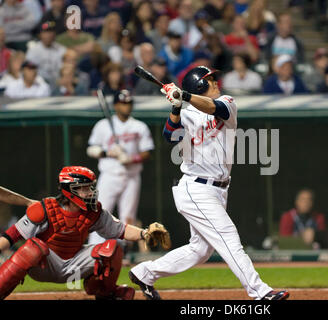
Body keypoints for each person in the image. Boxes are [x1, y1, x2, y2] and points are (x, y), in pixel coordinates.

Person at [128, 66, 290, 301]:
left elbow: (216, 108)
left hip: (218, 189)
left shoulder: (227, 102)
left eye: (213, 78)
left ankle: (144, 273)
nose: (215, 81)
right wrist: (175, 106)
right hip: (195, 187)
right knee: (228, 237)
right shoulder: (186, 114)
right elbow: (169, 135)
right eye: (209, 79)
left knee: (200, 250)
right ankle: (260, 292)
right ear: (199, 85)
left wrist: (183, 96)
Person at [0, 166, 169, 300]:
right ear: (69, 190)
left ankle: (106, 294)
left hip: (74, 264)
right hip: (46, 266)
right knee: (32, 248)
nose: (90, 192)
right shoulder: (45, 209)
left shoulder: (93, 211)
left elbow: (120, 230)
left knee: (112, 248)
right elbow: (11, 236)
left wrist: (145, 233)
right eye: (84, 188)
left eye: (90, 187)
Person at [87, 90, 154, 247]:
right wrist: (107, 152)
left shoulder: (139, 126)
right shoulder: (103, 125)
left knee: (128, 216)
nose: (127, 106)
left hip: (131, 176)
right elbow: (91, 149)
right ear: (116, 105)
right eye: (123, 103)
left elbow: (147, 152)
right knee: (99, 212)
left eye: (129, 103)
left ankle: (122, 251)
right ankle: (93, 249)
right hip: (109, 175)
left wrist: (131, 158)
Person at [25, 21, 67, 89]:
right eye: (45, 32)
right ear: (40, 34)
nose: (49, 35)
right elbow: (29, 71)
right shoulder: (33, 50)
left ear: (55, 34)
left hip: (58, 83)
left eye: (51, 32)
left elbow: (65, 69)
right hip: (39, 84)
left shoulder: (62, 49)